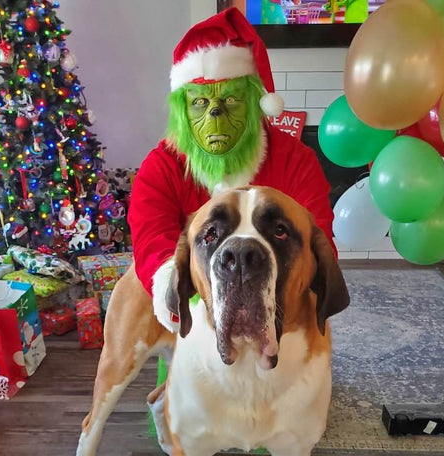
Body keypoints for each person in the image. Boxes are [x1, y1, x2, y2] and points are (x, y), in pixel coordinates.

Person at [128, 7, 336, 332]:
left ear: (255, 104)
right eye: (199, 103)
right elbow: (151, 235)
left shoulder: (296, 161)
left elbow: (317, 239)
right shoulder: (162, 166)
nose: (214, 115)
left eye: (230, 100)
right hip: (195, 306)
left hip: (274, 303)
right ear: (182, 110)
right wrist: (181, 290)